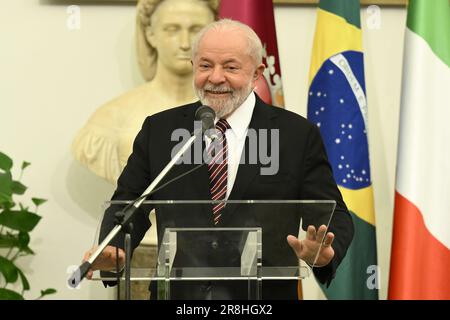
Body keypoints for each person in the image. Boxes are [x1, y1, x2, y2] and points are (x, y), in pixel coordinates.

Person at [83, 19, 354, 300]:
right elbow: (129, 203)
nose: (215, 77)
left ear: (257, 73)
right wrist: (113, 247)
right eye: (205, 65)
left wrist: (322, 253)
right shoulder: (161, 130)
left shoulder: (295, 135)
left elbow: (334, 214)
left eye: (230, 67)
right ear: (193, 67)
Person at [72, 0, 217, 184]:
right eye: (172, 29)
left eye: (196, 30)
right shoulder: (111, 118)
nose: (185, 43)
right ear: (150, 34)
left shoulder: (233, 112)